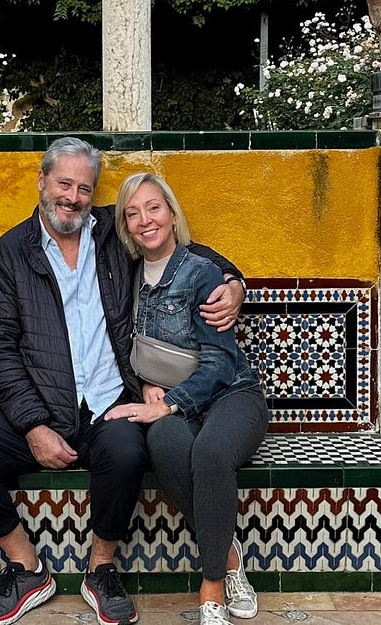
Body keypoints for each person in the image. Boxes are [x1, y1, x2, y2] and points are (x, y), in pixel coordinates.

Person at [0, 138, 246, 625]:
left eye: (84, 188)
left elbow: (177, 247)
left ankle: (101, 569)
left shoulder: (111, 232)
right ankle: (25, 568)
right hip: (43, 406)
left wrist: (232, 281)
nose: (74, 197)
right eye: (64, 184)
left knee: (127, 454)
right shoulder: (10, 253)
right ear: (42, 182)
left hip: (108, 402)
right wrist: (34, 426)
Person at [105, 172, 268, 625]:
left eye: (154, 207)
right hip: (169, 398)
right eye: (132, 213)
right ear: (124, 227)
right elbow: (125, 347)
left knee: (211, 453)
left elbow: (218, 365)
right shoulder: (125, 276)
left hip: (232, 394)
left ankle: (213, 583)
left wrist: (168, 402)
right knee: (168, 446)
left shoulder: (202, 272)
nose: (145, 220)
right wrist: (145, 388)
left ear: (173, 214)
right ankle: (231, 556)